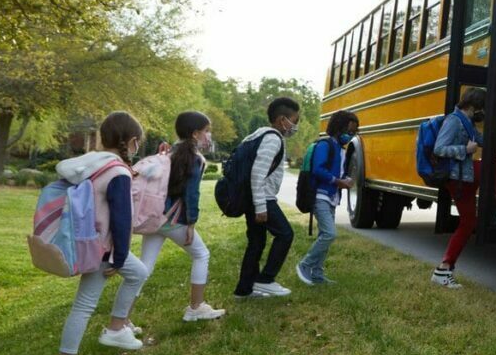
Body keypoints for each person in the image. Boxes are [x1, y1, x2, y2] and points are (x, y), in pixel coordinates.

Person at [52, 111, 151, 355]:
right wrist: (119, 257)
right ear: (132, 142)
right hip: (103, 248)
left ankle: (113, 330)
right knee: (85, 304)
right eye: (138, 142)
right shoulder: (118, 172)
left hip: (88, 241)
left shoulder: (92, 164)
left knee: (138, 273)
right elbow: (121, 219)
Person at [134, 111, 225, 322]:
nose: (209, 135)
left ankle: (122, 321)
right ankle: (196, 307)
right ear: (195, 134)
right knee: (201, 255)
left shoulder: (168, 153)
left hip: (156, 216)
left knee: (145, 266)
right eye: (206, 131)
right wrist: (191, 223)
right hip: (174, 219)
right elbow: (191, 194)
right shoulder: (194, 159)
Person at [234, 97, 299, 298]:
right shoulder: (273, 139)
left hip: (251, 197)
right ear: (282, 120)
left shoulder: (256, 135)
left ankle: (244, 290)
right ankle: (265, 280)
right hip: (263, 198)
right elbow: (257, 174)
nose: (295, 126)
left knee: (256, 242)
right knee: (285, 234)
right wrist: (261, 206)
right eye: (294, 121)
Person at [430, 87, 486, 289]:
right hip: (457, 178)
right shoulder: (454, 121)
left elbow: (483, 140)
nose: (483, 112)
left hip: (465, 175)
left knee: (468, 222)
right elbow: (439, 148)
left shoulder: (467, 123)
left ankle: (444, 269)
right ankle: (443, 270)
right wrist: (465, 149)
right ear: (473, 106)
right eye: (482, 108)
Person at [296, 110, 358, 286]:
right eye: (348, 131)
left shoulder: (340, 149)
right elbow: (318, 169)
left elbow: (338, 171)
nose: (350, 135)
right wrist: (337, 181)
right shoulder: (325, 145)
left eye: (353, 132)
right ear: (338, 127)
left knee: (324, 234)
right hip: (320, 195)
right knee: (330, 233)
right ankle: (305, 265)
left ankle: (317, 274)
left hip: (332, 197)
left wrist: (346, 180)